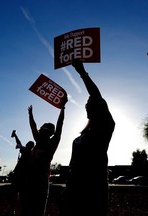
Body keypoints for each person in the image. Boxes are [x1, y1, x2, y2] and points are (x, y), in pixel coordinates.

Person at [60, 60, 115, 216]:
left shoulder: (105, 128)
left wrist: (82, 72)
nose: (88, 102)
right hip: (73, 188)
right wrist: (67, 187)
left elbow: (96, 95)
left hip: (93, 188)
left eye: (91, 102)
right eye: (87, 102)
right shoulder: (83, 134)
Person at [19, 100, 67, 216]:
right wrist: (30, 115)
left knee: (38, 210)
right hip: (28, 180)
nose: (39, 130)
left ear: (47, 132)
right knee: (25, 210)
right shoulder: (38, 140)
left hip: (40, 182)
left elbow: (59, 126)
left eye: (42, 129)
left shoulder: (51, 144)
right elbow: (33, 126)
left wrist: (62, 109)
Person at [4, 130, 35, 216]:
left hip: (20, 176)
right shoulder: (31, 153)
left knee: (16, 194)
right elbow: (19, 143)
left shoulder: (26, 152)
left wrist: (15, 135)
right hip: (23, 176)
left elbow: (19, 143)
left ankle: (13, 209)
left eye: (28, 144)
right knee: (18, 194)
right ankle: (14, 210)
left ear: (30, 146)